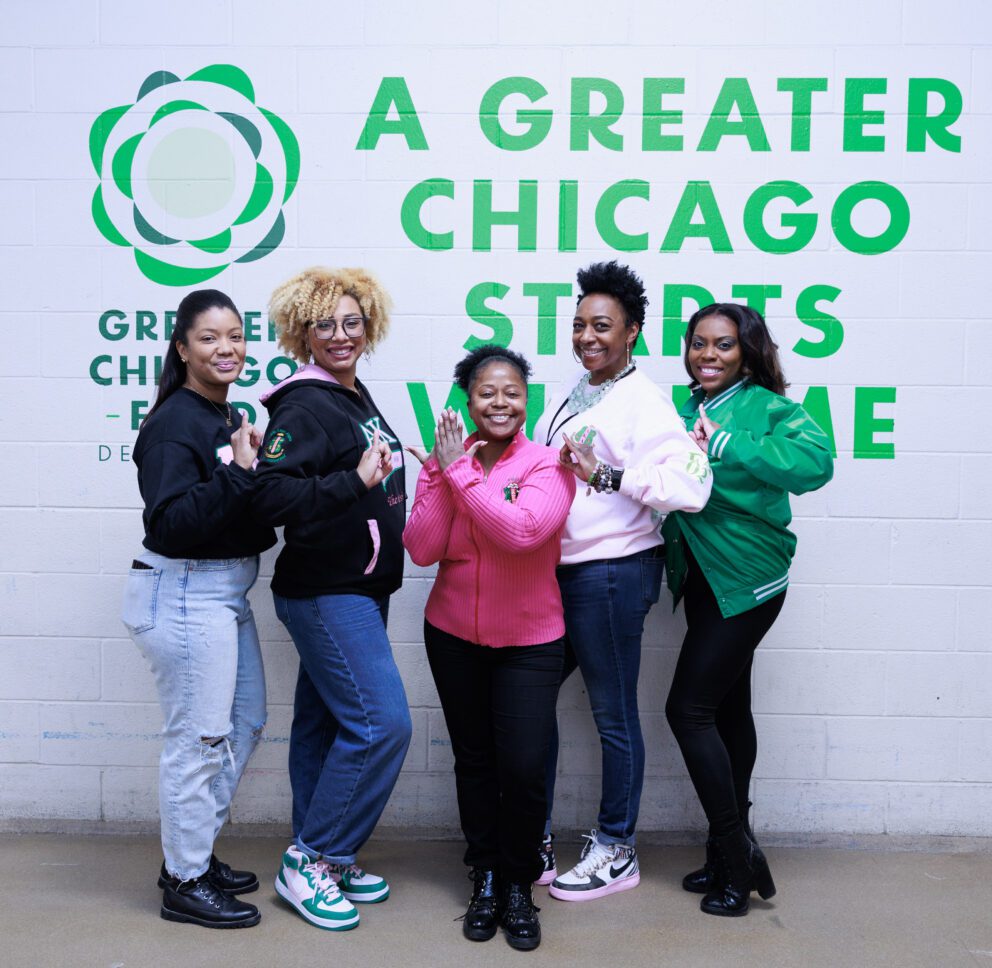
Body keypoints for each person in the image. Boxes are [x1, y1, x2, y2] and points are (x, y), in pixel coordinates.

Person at [533, 261, 713, 901]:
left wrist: (606, 475)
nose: (586, 335)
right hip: (566, 572)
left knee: (613, 716)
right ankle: (536, 834)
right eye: (579, 324)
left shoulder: (644, 399)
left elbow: (688, 486)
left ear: (632, 332)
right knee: (530, 704)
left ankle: (617, 849)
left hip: (612, 573)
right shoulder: (583, 391)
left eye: (601, 326)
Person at [252, 267, 411, 932]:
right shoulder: (305, 404)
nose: (340, 335)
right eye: (325, 325)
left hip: (361, 587)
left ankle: (328, 853)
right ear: (302, 333)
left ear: (367, 325)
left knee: (327, 727)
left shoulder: (353, 394)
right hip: (327, 591)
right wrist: (352, 480)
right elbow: (270, 495)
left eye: (351, 322)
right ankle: (312, 858)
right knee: (381, 724)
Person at [663, 303, 833, 917]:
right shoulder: (682, 407)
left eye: (724, 346)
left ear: (748, 352)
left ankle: (739, 856)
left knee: (688, 710)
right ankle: (722, 850)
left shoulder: (769, 407)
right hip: (703, 576)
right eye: (699, 344)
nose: (708, 355)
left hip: (750, 577)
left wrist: (731, 443)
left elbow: (816, 466)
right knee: (729, 708)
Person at [403, 346, 575, 951]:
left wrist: (460, 475)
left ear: (527, 400)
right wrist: (440, 473)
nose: (500, 403)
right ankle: (487, 876)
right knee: (474, 762)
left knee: (524, 769)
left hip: (530, 641)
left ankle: (518, 887)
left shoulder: (549, 465)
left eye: (512, 392)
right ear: (467, 401)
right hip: (452, 636)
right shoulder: (448, 462)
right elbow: (422, 549)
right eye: (486, 393)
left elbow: (521, 532)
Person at [120, 289, 275, 928]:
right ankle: (184, 881)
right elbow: (172, 524)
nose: (226, 348)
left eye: (235, 335)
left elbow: (238, 508)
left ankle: (192, 855)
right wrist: (240, 473)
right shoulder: (172, 425)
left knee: (244, 723)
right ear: (182, 348)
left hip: (221, 594)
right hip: (184, 591)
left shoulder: (224, 414)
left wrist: (256, 470)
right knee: (199, 739)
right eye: (209, 337)